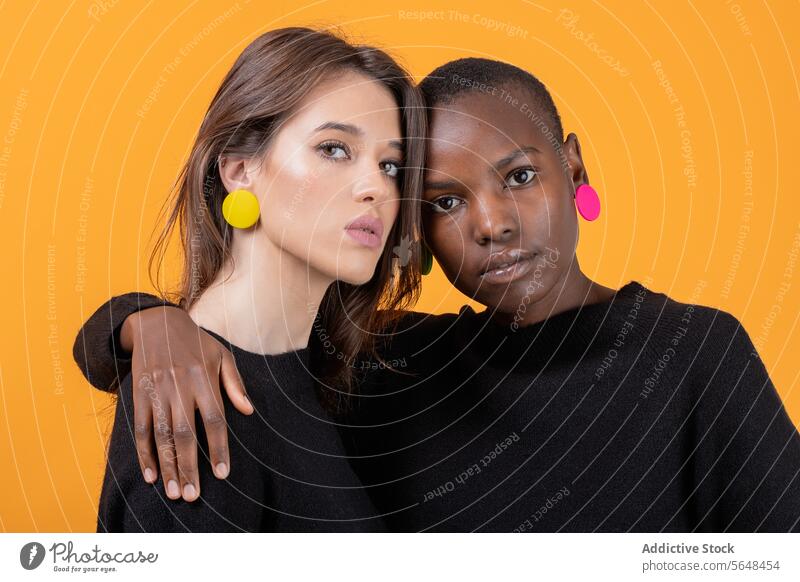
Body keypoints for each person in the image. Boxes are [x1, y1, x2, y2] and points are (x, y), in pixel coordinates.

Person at [75, 58, 800, 532]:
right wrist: (148, 324)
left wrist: (139, 326)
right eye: (446, 202)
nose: (493, 224)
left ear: (572, 166)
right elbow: (262, 352)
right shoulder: (390, 365)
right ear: (413, 228)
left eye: (520, 176)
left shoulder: (695, 353)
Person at [80, 26, 427, 532]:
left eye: (391, 164)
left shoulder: (342, 374)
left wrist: (135, 319)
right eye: (334, 149)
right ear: (241, 169)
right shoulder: (192, 399)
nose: (376, 186)